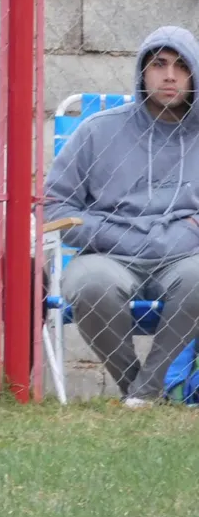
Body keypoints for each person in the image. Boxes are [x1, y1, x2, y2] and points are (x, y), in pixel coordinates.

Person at [45, 25, 199, 407]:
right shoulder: (98, 132)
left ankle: (145, 393)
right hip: (109, 253)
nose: (169, 75)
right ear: (141, 72)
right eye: (159, 64)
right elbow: (53, 207)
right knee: (90, 284)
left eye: (181, 66)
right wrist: (112, 234)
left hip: (184, 257)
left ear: (193, 75)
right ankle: (141, 391)